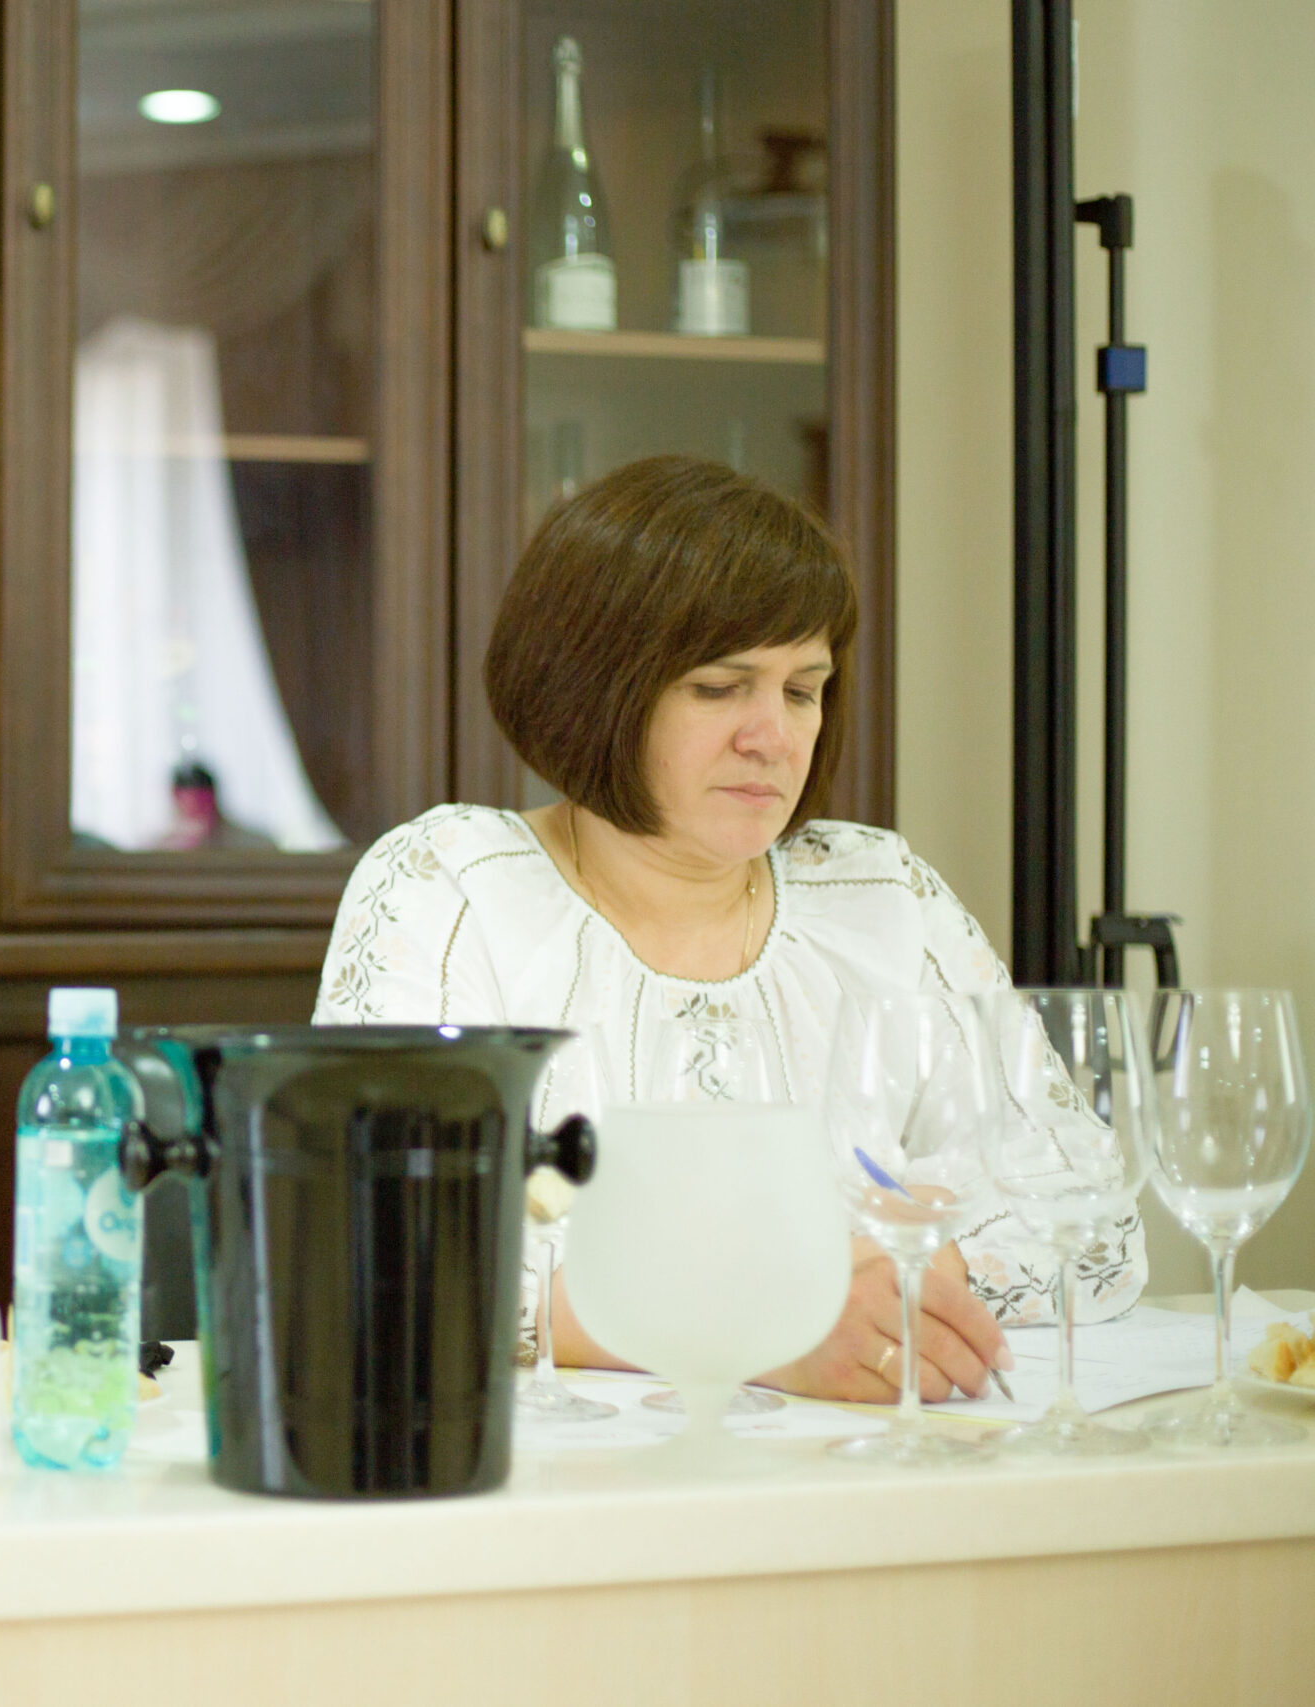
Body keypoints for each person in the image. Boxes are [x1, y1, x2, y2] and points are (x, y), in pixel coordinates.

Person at [314, 453, 1144, 1403]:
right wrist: (771, 1323)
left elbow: (1092, 1220)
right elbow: (386, 1247)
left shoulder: (879, 893)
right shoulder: (453, 885)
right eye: (719, 686)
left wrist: (889, 1287)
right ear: (590, 686)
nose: (774, 737)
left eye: (802, 689)